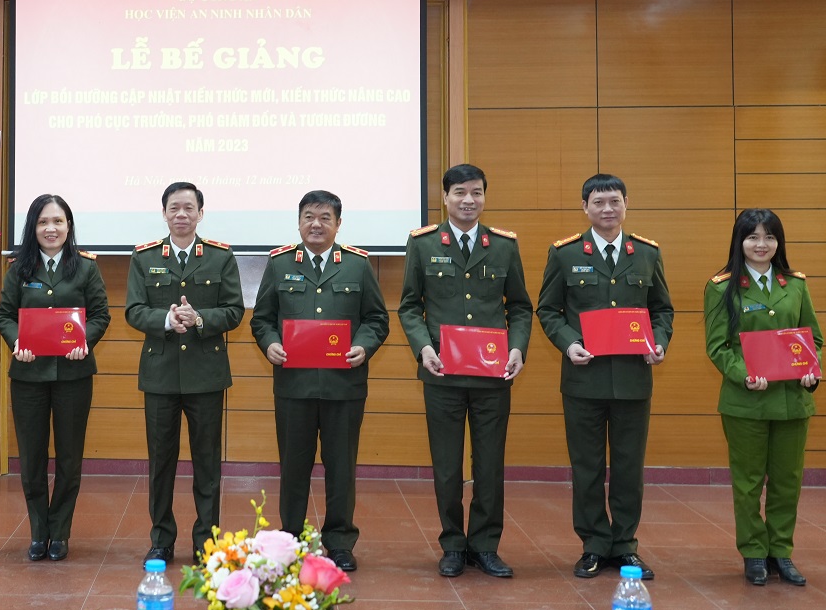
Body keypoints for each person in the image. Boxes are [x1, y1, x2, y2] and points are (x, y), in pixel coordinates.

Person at [398, 163, 533, 579]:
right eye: (459, 192)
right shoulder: (422, 244)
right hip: (442, 374)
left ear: (484, 197)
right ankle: (453, 545)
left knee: (489, 464)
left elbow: (520, 307)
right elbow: (409, 306)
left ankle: (485, 546)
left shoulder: (504, 246)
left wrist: (517, 348)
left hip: (493, 376)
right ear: (445, 198)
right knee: (447, 466)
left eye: (476, 192)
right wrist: (423, 347)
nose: (468, 200)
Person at [536, 173, 673, 580]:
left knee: (629, 468)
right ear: (585, 207)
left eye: (615, 201)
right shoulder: (564, 253)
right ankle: (594, 545)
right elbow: (548, 310)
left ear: (626, 203)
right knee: (587, 467)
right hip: (584, 380)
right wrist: (568, 344)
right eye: (598, 202)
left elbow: (662, 310)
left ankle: (625, 546)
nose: (607, 209)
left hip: (633, 380)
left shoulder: (646, 253)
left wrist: (659, 342)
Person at [250, 190, 388, 572]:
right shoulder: (279, 263)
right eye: (309, 216)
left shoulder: (358, 265)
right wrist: (270, 343)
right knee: (293, 467)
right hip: (294, 386)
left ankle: (339, 542)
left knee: (341, 468)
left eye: (325, 217)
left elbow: (377, 319)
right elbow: (262, 319)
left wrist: (363, 346)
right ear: (298, 222)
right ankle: (290, 540)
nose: (316, 224)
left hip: (344, 386)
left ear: (338, 224)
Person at [125, 182, 243, 565]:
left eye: (188, 208)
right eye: (174, 208)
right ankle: (161, 539)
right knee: (161, 463)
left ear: (200, 213)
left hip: (206, 376)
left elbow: (234, 310)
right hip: (160, 376)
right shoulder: (144, 257)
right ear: (164, 213)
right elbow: (134, 310)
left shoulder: (220, 257)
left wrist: (200, 318)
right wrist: (166, 320)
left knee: (207, 464)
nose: (181, 214)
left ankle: (206, 541)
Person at [703, 208, 822, 586]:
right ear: (740, 242)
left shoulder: (796, 285)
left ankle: (781, 551)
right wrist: (744, 375)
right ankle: (754, 552)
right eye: (752, 237)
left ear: (778, 242)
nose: (761, 244)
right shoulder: (721, 287)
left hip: (792, 401)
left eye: (769, 237)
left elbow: (815, 340)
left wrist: (812, 371)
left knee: (788, 481)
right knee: (748, 482)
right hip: (746, 402)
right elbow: (718, 347)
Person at [0, 194, 110, 562]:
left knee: (69, 458)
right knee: (31, 459)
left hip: (74, 375)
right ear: (33, 227)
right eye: (43, 222)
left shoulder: (86, 268)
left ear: (68, 226)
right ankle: (38, 532)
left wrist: (84, 341)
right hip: (28, 376)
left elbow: (101, 315)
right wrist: (16, 342)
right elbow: (4, 316)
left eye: (58, 221)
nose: (51, 228)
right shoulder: (19, 269)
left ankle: (59, 533)